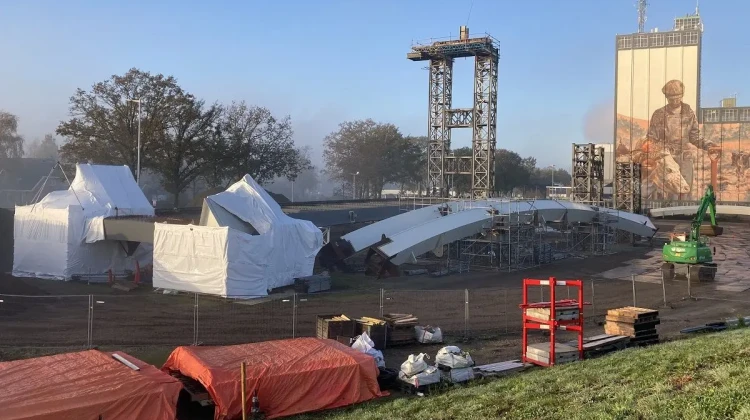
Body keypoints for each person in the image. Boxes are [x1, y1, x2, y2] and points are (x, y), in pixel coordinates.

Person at [634, 80, 719, 200]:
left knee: (685, 189)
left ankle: (685, 215)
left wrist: (708, 145)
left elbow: (695, 136)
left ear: (682, 95)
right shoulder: (659, 114)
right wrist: (648, 146)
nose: (674, 101)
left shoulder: (689, 113)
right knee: (670, 190)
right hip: (666, 158)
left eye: (677, 97)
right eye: (671, 98)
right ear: (666, 97)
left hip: (685, 157)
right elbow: (651, 137)